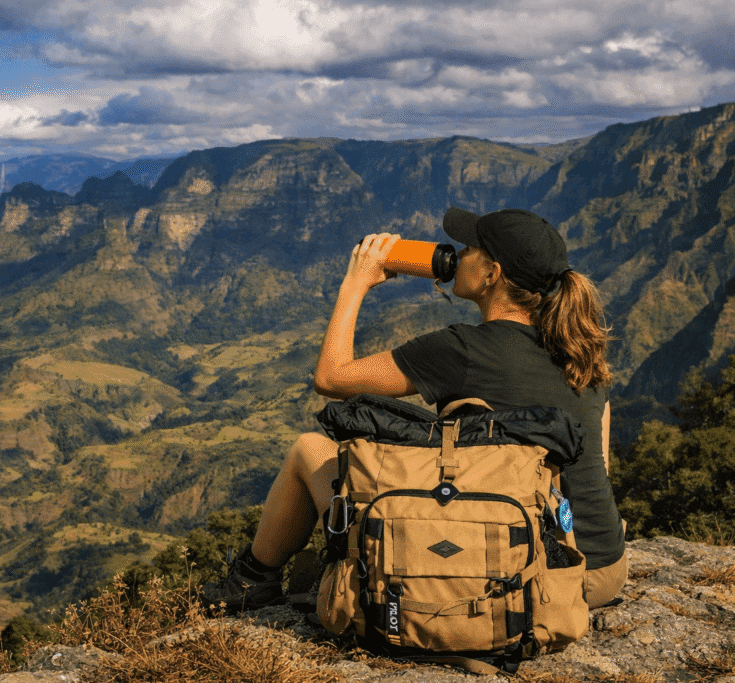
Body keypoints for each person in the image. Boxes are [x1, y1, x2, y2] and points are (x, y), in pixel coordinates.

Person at [200, 207, 627, 612]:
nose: (457, 255)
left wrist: (356, 283)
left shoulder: (460, 350)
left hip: (525, 575)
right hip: (601, 572)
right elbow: (597, 468)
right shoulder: (583, 355)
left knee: (307, 450)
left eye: (469, 250)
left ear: (492, 274)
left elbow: (331, 378)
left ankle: (250, 582)